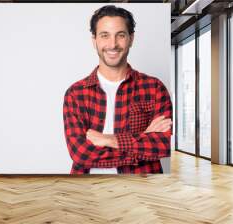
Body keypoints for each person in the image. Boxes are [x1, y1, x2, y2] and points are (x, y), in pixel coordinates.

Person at [63, 5, 173, 174]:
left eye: (120, 35)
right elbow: (81, 154)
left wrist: (109, 140)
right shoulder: (76, 93)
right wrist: (142, 140)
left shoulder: (154, 88)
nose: (112, 44)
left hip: (142, 191)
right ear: (95, 41)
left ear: (131, 38)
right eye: (104, 35)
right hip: (87, 192)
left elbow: (163, 145)